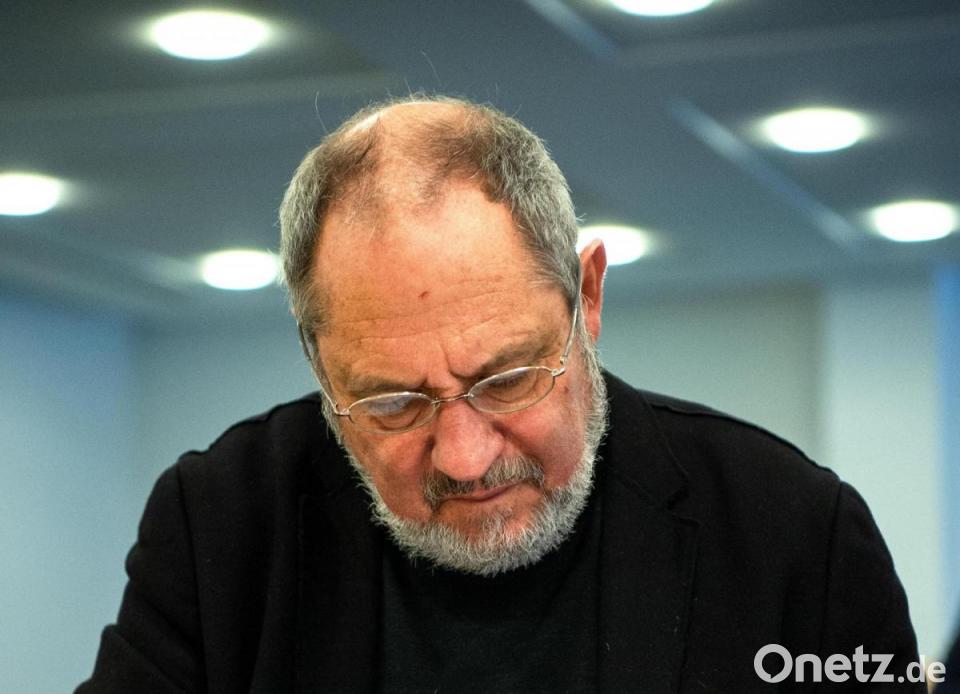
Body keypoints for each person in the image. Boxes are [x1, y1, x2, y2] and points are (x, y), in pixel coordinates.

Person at [78, 95, 924, 692]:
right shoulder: (221, 524)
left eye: (507, 379)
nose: (464, 457)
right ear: (318, 365)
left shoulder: (792, 533)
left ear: (587, 298)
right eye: (392, 403)